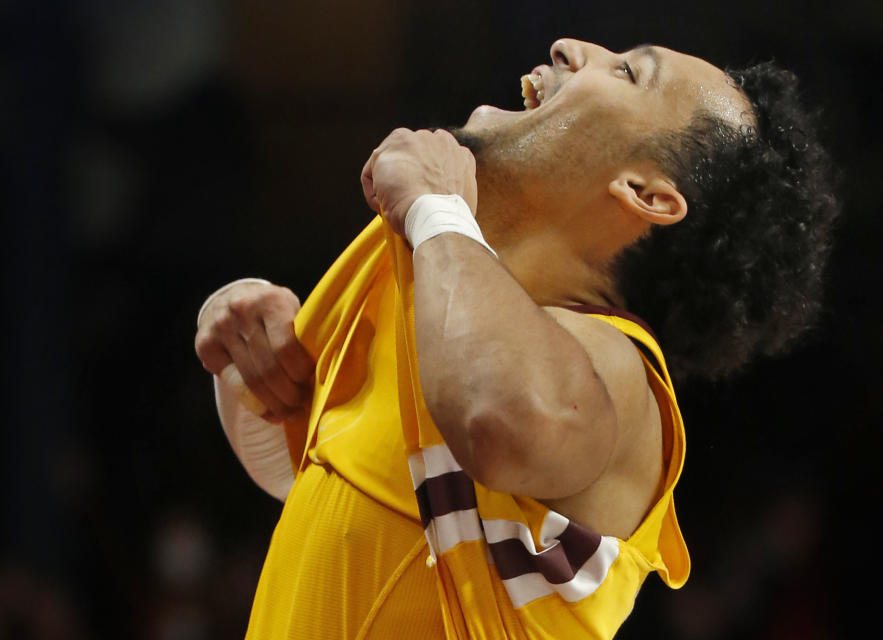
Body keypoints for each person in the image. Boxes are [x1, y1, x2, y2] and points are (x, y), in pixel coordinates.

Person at [195, 38, 838, 639]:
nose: (570, 47)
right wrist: (248, 351)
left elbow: (495, 422)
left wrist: (435, 207)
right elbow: (312, 479)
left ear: (645, 194)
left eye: (627, 72)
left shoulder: (620, 373)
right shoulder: (431, 271)